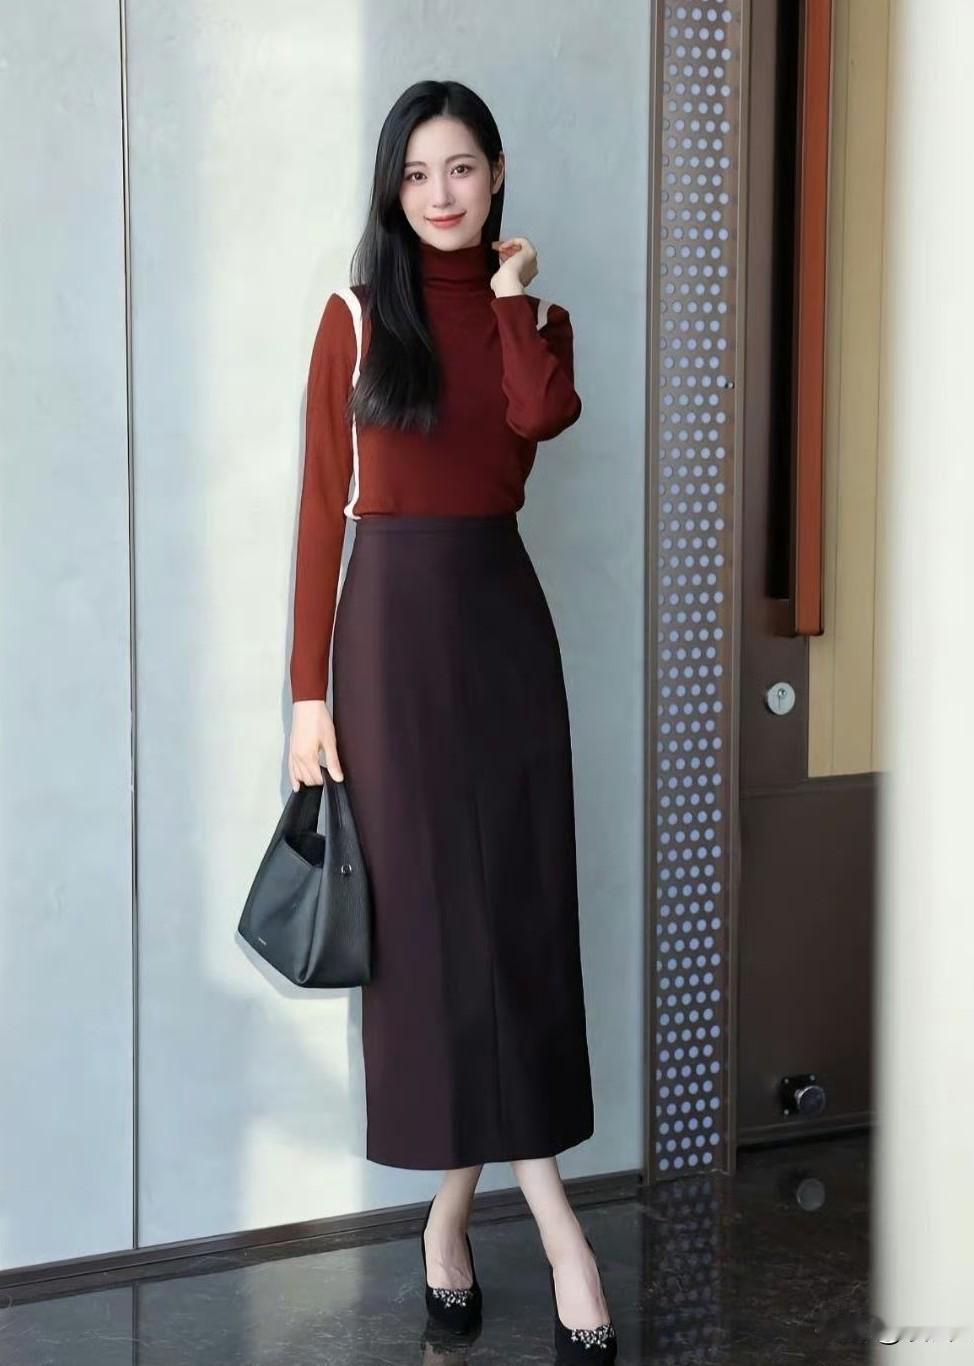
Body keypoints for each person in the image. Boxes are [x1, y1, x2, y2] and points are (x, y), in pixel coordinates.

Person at [286, 79, 616, 1361]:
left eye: (462, 167)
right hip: (386, 643)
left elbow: (541, 417)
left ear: (497, 175)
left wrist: (514, 295)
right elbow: (320, 510)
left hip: (502, 629)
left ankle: (447, 1220)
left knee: (518, 919)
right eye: (418, 171)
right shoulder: (356, 318)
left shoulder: (535, 321)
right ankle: (561, 1231)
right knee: (431, 940)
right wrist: (306, 695)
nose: (440, 192)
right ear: (393, 185)